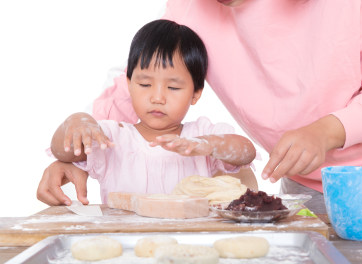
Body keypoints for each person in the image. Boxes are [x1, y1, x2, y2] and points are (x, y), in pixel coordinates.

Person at [38, 0, 362, 214]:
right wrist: (75, 148)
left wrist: (328, 130)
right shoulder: (192, 7)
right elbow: (146, 77)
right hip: (308, 184)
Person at [45, 19, 257, 204]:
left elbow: (246, 151)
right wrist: (76, 120)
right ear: (129, 84)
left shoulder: (200, 134)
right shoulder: (112, 137)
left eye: (173, 88)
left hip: (186, 244)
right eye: (145, 84)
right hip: (126, 243)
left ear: (196, 93)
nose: (157, 97)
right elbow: (61, 151)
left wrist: (206, 145)